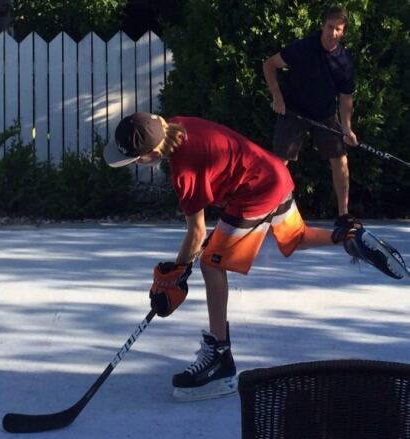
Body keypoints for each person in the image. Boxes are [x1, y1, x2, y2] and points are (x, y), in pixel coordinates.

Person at [102, 112, 406, 402]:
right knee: (294, 237)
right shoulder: (178, 125)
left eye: (134, 159)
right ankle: (350, 236)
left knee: (210, 264)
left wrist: (177, 272)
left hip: (256, 192)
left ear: (151, 155)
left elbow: (196, 234)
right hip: (274, 174)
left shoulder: (183, 169)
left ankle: (220, 360)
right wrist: (180, 268)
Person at [262, 5, 357, 225]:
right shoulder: (304, 47)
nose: (333, 33)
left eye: (338, 29)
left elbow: (345, 98)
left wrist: (346, 127)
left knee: (340, 160)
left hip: (324, 114)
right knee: (279, 162)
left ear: (343, 32)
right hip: (293, 110)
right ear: (322, 25)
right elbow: (269, 65)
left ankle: (344, 215)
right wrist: (277, 97)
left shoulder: (344, 62)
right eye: (330, 27)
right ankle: (264, 212)